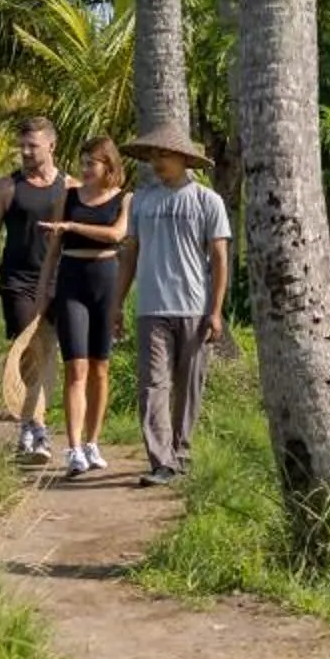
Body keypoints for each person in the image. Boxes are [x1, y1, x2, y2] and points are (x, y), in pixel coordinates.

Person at [118, 124, 229, 485]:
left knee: (189, 385)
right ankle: (161, 461)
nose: (157, 161)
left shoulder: (206, 201)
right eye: (152, 155)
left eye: (163, 154)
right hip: (151, 307)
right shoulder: (142, 201)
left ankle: (181, 452)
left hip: (194, 307)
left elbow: (220, 258)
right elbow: (129, 255)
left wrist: (215, 311)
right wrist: (116, 304)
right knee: (153, 385)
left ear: (184, 159)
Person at [36, 137, 131, 477]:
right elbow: (53, 249)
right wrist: (43, 290)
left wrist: (73, 226)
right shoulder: (69, 195)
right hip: (71, 279)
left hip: (106, 280)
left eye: (92, 162)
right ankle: (74, 448)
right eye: (83, 162)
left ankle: (92, 442)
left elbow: (117, 235)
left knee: (100, 368)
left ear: (109, 165)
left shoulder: (124, 199)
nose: (85, 169)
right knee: (76, 367)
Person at [0, 116, 65, 458]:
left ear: (51, 146)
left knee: (49, 353)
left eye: (33, 146)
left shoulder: (68, 187)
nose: (25, 152)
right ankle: (36, 429)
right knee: (30, 350)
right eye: (22, 145)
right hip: (18, 282)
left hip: (58, 280)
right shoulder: (6, 187)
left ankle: (31, 422)